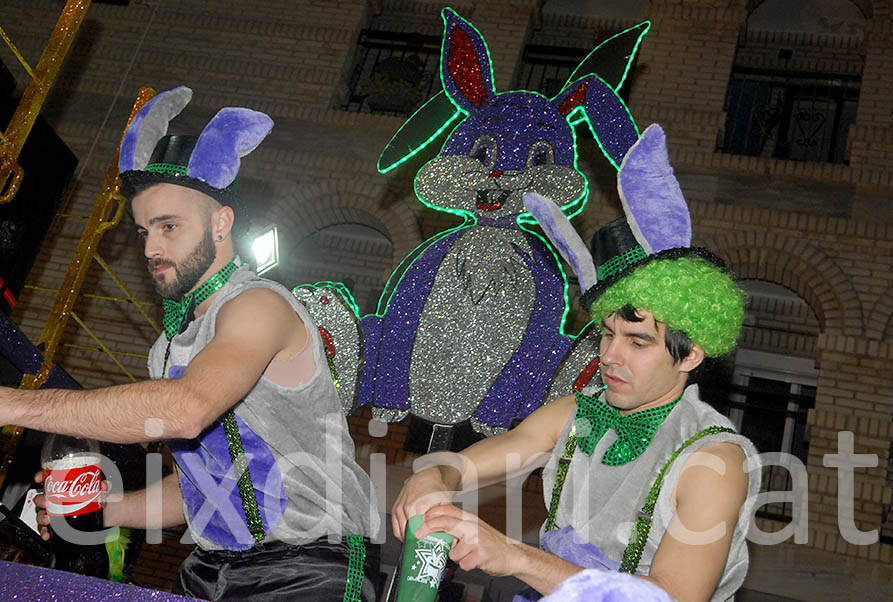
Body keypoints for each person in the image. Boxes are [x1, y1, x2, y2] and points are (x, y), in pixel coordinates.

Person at [3, 86, 380, 601]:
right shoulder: (169, 348)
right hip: (208, 568)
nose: (152, 247)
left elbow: (185, 411)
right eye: (142, 232)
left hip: (308, 565)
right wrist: (102, 508)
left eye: (169, 226)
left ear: (221, 222)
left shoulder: (258, 306)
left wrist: (11, 403)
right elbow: (201, 488)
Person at [391, 125, 760, 602]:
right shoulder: (575, 412)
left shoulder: (715, 460)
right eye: (606, 334)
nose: (609, 355)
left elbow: (673, 596)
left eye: (638, 342)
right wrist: (430, 476)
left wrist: (518, 556)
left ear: (690, 354)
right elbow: (464, 466)